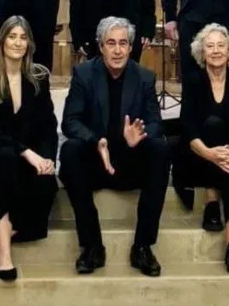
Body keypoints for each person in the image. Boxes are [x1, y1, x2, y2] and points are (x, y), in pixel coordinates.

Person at [60, 17, 169, 277]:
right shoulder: (84, 74)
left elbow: (156, 123)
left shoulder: (144, 77)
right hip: (96, 162)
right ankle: (92, 246)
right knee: (70, 150)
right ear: (100, 46)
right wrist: (95, 141)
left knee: (160, 149)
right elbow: (70, 121)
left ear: (131, 48)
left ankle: (142, 246)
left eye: (123, 43)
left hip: (130, 162)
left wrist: (139, 136)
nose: (118, 50)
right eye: (111, 43)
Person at [0, 16, 58, 281]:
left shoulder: (38, 78)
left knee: (46, 184)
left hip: (28, 156)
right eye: (12, 36)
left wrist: (48, 158)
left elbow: (49, 125)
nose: (18, 42)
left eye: (23, 37)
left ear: (29, 43)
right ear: (1, 41)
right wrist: (27, 152)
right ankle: (4, 254)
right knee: (5, 161)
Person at [176, 23, 229, 274]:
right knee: (212, 125)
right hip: (200, 155)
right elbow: (188, 128)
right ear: (202, 52)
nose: (216, 50)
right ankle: (214, 205)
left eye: (221, 45)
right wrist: (211, 154)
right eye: (209, 46)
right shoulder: (193, 81)